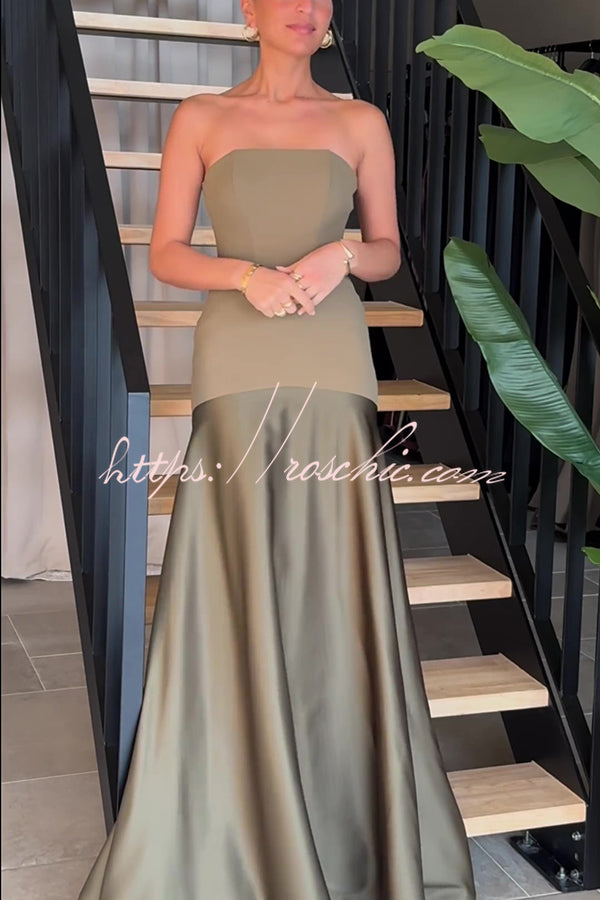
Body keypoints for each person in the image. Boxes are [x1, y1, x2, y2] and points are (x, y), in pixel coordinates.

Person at [79, 1, 477, 897]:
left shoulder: (359, 120)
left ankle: (348, 813)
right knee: (238, 575)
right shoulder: (201, 117)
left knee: (333, 578)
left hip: (334, 360)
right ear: (248, 10)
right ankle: (230, 809)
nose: (306, 8)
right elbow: (168, 254)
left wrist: (343, 256)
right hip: (237, 355)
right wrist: (245, 275)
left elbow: (387, 249)